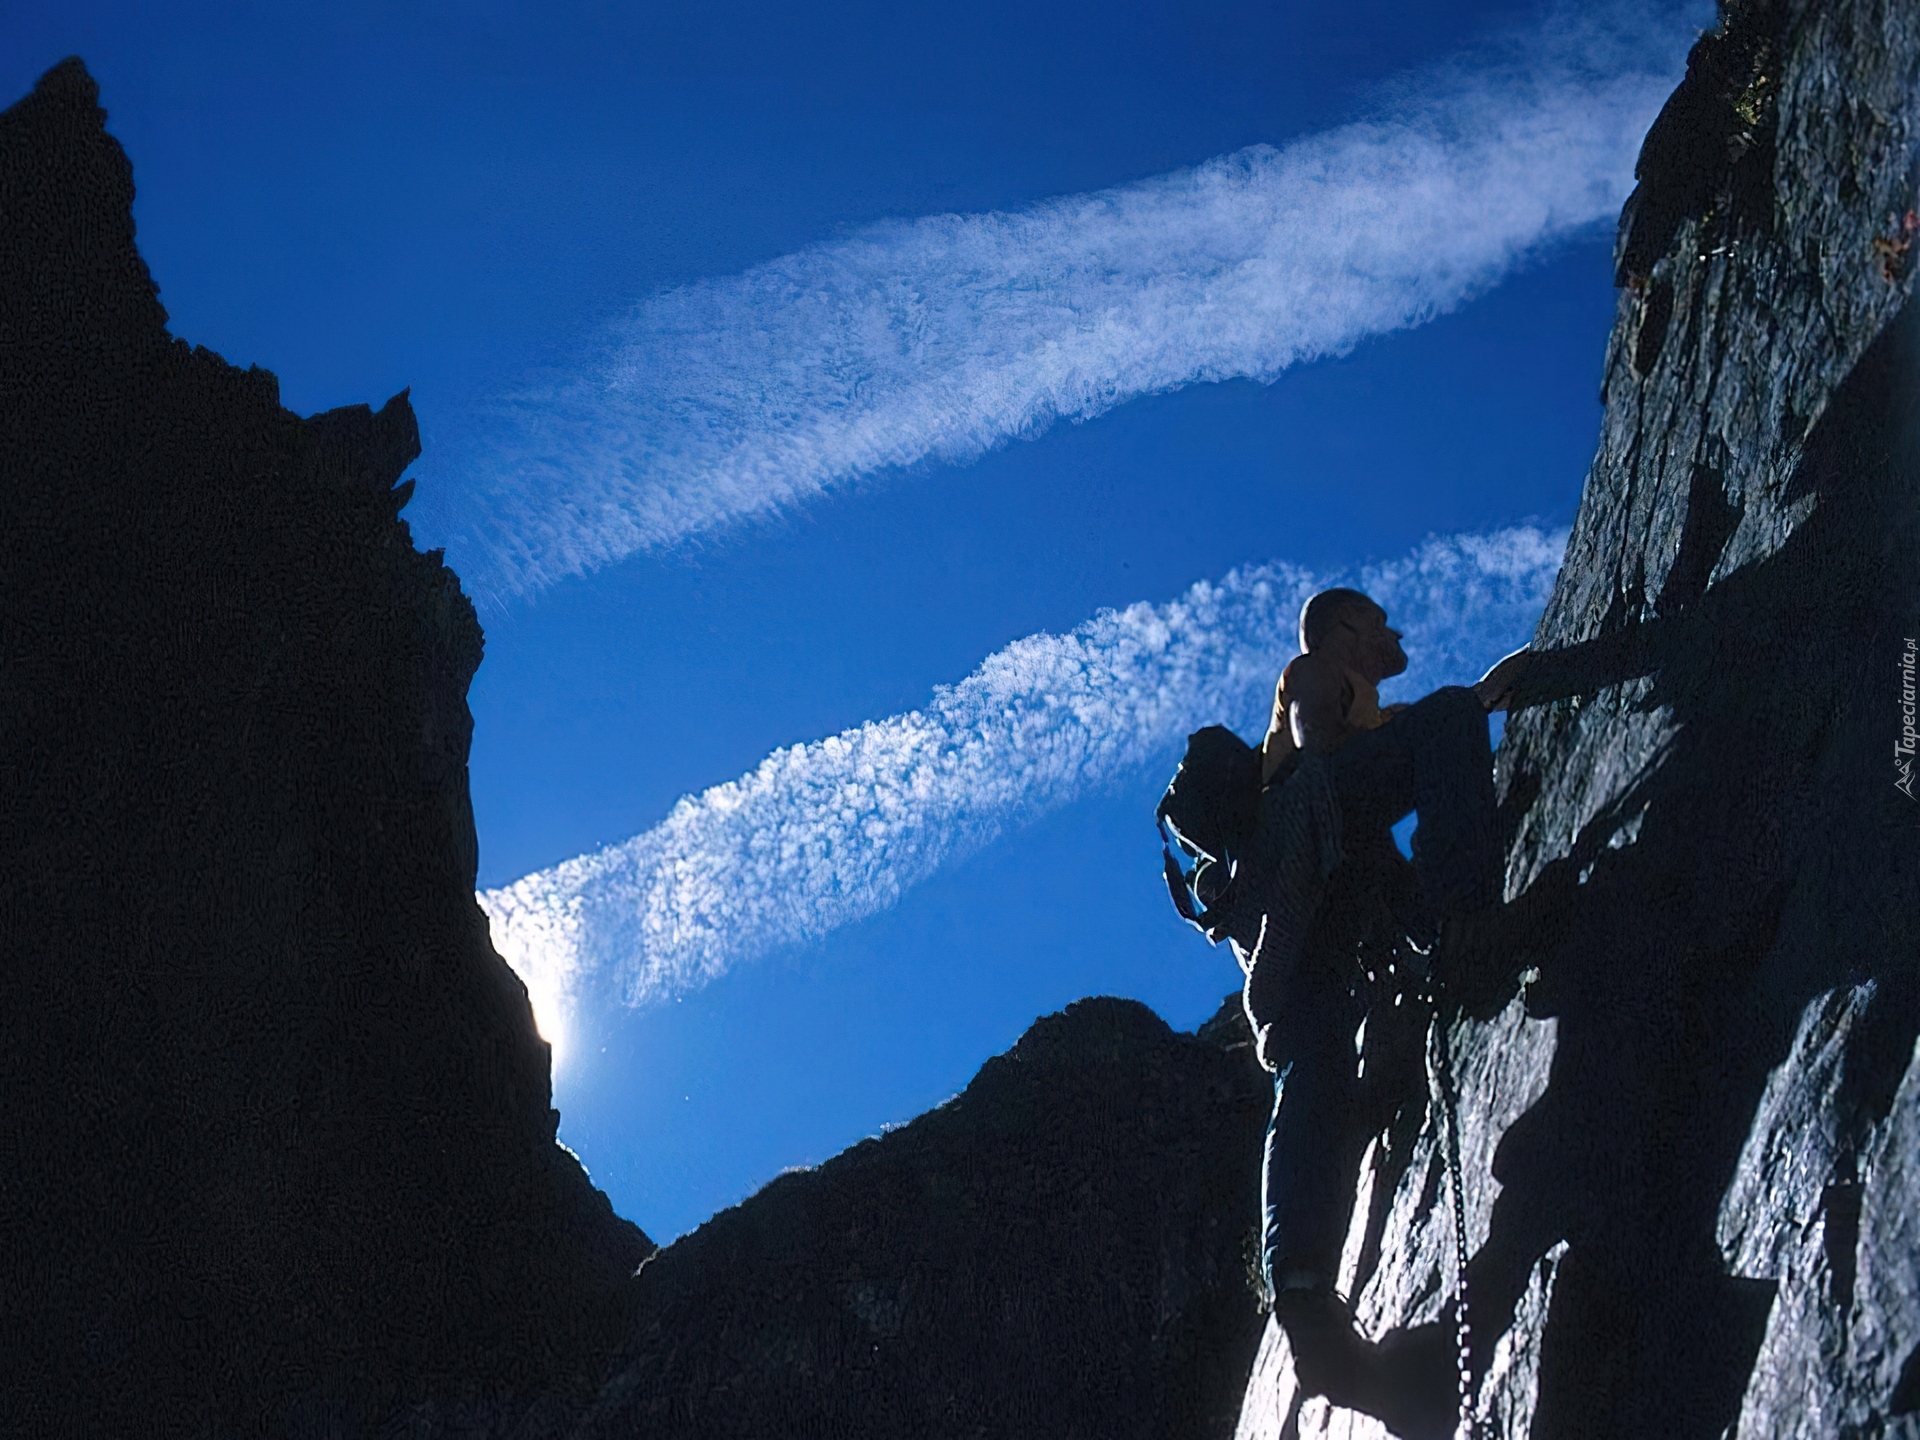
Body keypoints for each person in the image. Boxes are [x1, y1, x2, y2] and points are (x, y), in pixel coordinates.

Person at [1234, 586, 1526, 1408]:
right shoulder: (1315, 672)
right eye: (1376, 623)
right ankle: (1469, 925)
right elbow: (1324, 746)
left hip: (1309, 908)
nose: (1391, 633)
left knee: (1318, 1064)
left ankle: (1305, 1298)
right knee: (1447, 717)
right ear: (1341, 631)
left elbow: (1405, 737)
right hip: (1314, 844)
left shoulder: (1363, 707)